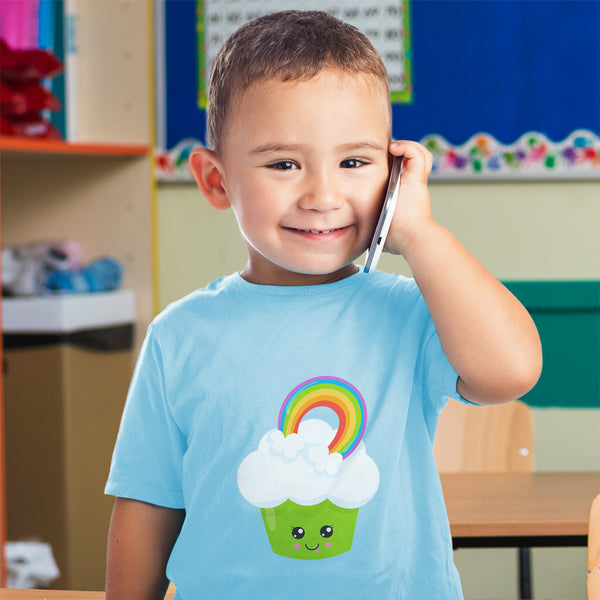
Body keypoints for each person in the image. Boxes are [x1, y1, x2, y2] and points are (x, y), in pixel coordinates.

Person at [105, 10, 542, 600]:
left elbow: (511, 372)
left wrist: (418, 234)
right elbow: (149, 502)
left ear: (392, 174)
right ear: (216, 181)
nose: (323, 196)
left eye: (355, 163)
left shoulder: (413, 312)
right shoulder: (179, 335)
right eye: (283, 164)